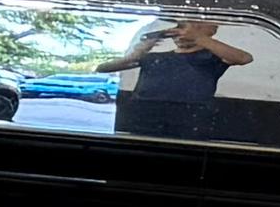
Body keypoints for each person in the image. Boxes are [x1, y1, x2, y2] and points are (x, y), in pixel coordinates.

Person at [105, 12, 254, 139]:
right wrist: (134, 55)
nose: (182, 33)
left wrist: (199, 38)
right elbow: (104, 68)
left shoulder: (212, 58)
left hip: (190, 119)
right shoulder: (154, 58)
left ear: (210, 31)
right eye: (179, 28)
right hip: (143, 116)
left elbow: (244, 58)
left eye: (195, 27)